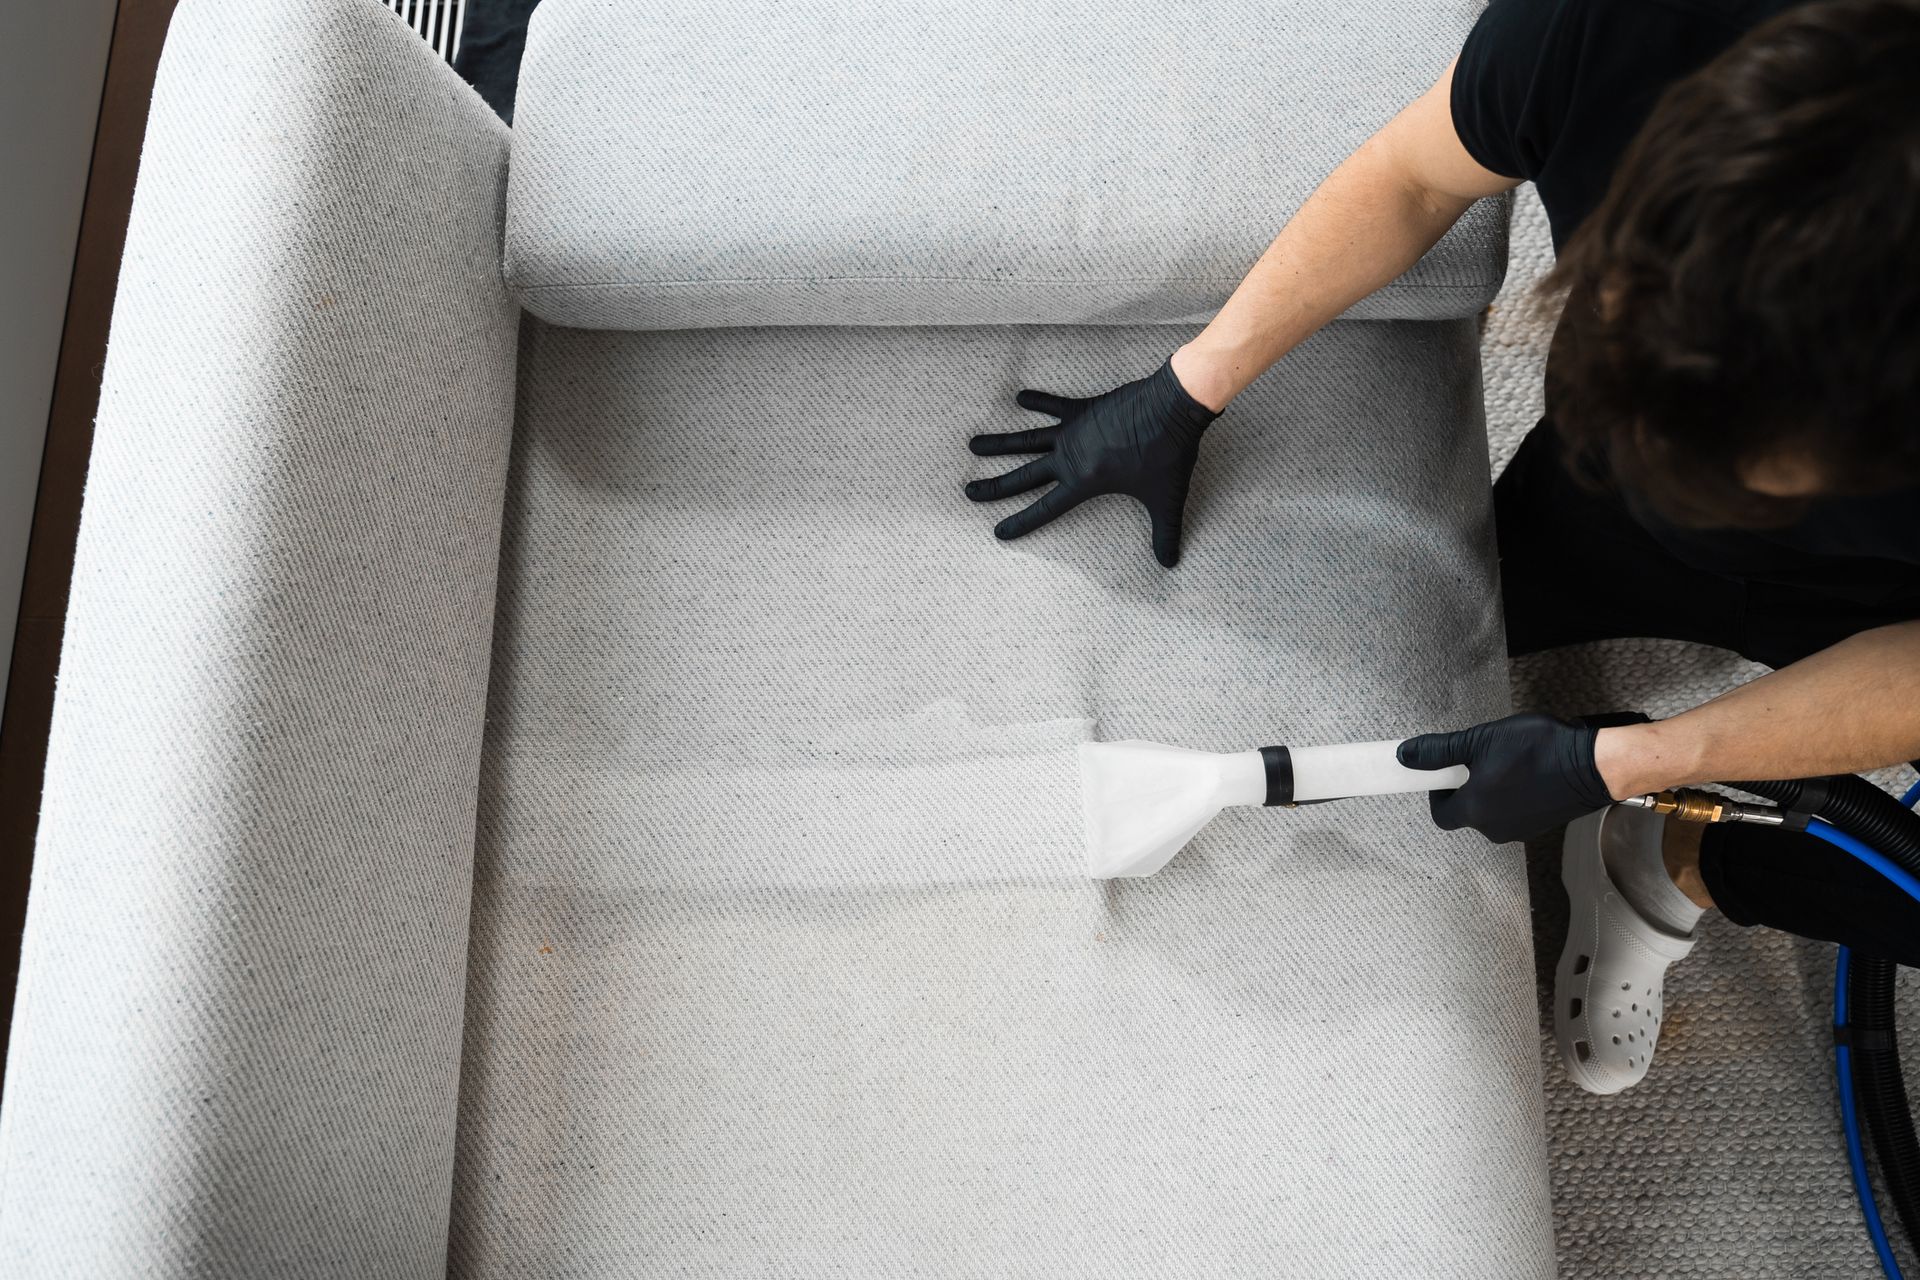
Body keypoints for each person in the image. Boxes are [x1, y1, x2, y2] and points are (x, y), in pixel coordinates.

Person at [964, 0, 1920, 1094]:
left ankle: (1680, 858)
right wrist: (1191, 384)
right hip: (1593, 509)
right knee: (1421, 643)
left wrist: (1636, 761)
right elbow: (1415, 179)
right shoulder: (1617, 29)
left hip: (1882, 598)